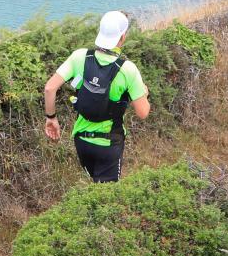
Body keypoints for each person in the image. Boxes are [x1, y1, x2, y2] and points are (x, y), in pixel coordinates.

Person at [42, 10, 151, 183]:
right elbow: (143, 113)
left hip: (81, 141)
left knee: (95, 187)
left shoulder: (80, 56)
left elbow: (49, 88)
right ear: (122, 37)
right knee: (106, 198)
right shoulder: (127, 69)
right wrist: (144, 92)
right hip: (109, 145)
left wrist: (51, 118)